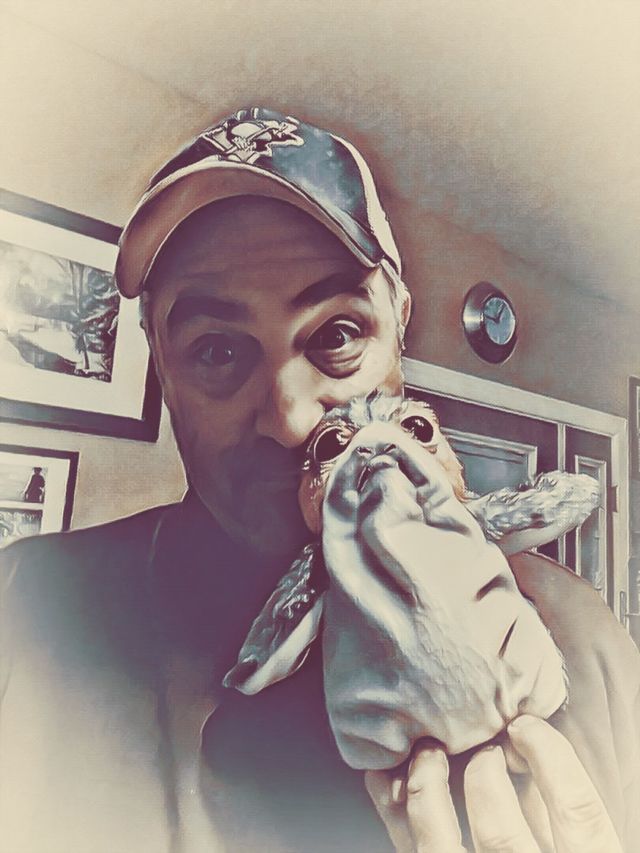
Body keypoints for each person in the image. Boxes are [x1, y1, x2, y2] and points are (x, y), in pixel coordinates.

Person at [1, 106, 638, 853]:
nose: (292, 419)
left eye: (337, 334)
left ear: (399, 325)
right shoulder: (26, 608)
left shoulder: (578, 636)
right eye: (216, 351)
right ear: (161, 366)